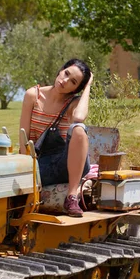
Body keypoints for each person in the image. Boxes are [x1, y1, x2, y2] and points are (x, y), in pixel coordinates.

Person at [19, 58, 93, 217]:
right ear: (61, 69)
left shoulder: (73, 103)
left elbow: (79, 117)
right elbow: (23, 137)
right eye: (66, 73)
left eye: (73, 82)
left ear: (76, 88)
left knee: (79, 129)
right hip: (40, 164)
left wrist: (87, 87)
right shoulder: (34, 95)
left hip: (67, 165)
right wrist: (24, 171)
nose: (65, 81)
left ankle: (71, 198)